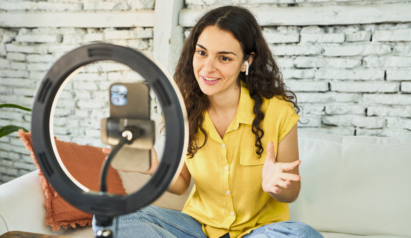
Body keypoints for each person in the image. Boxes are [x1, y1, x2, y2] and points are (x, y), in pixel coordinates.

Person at [94, 5, 323, 238]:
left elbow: (292, 192)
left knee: (303, 234)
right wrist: (154, 168)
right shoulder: (181, 110)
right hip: (198, 228)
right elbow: (182, 183)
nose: (207, 67)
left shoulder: (279, 112)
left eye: (224, 58)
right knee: (110, 215)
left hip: (258, 232)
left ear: (247, 61)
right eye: (202, 53)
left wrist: (277, 186)